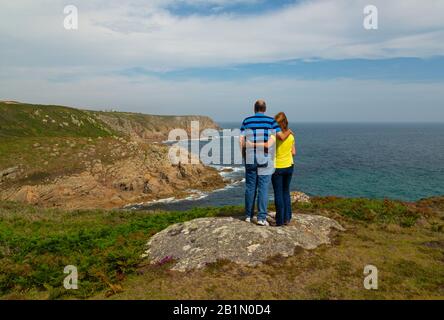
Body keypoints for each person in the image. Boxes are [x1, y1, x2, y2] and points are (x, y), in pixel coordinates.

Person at [240, 100, 293, 226]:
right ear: (265, 109)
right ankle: (261, 218)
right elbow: (280, 136)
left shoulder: (246, 121)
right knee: (263, 187)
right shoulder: (271, 121)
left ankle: (248, 215)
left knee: (250, 186)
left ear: (254, 108)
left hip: (250, 156)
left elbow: (241, 140)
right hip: (264, 156)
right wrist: (289, 132)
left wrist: (244, 155)